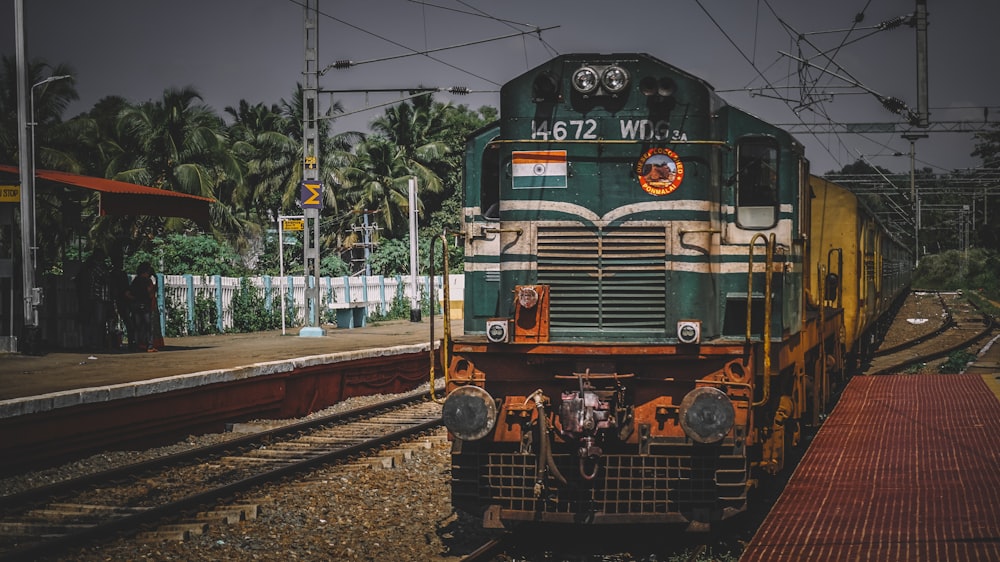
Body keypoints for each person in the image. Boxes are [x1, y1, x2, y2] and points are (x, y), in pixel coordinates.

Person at [77, 248, 111, 350]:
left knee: (93, 321)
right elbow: (106, 279)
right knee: (98, 321)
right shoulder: (97, 267)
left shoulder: (90, 267)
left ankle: (92, 342)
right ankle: (95, 343)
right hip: (98, 297)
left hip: (95, 297)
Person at [108, 247, 135, 351]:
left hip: (118, 300)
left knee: (116, 322)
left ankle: (116, 343)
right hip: (121, 300)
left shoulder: (112, 274)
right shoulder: (118, 275)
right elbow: (125, 288)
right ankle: (129, 342)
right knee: (126, 322)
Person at [128, 262, 157, 352]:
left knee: (137, 326)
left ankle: (137, 344)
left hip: (136, 305)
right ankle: (149, 346)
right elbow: (150, 292)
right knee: (148, 326)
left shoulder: (136, 281)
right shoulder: (147, 281)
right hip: (145, 305)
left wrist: (135, 300)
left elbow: (128, 293)